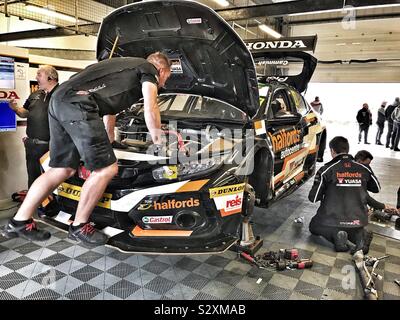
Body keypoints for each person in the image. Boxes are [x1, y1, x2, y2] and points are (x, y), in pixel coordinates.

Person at [1, 52, 172, 246]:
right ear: (162, 69)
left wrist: (109, 139)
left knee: (61, 168)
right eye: (168, 76)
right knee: (106, 169)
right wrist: (159, 142)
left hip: (59, 101)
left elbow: (109, 108)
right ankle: (79, 227)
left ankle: (19, 221)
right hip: (79, 104)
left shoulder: (119, 68)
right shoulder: (148, 69)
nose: (165, 82)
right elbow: (151, 107)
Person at [308, 136, 380, 254]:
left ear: (332, 151)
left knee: (314, 226)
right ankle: (359, 237)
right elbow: (376, 188)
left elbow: (313, 198)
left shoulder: (326, 170)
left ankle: (336, 236)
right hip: (357, 220)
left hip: (332, 219)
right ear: (347, 150)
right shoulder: (363, 168)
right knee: (351, 226)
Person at [9, 65, 59, 188]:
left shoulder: (62, 94)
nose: (36, 77)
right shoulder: (35, 94)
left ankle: (52, 206)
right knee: (33, 179)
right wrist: (15, 108)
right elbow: (25, 113)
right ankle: (38, 206)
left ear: (50, 77)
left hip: (52, 146)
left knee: (52, 180)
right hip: (32, 146)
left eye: (39, 74)